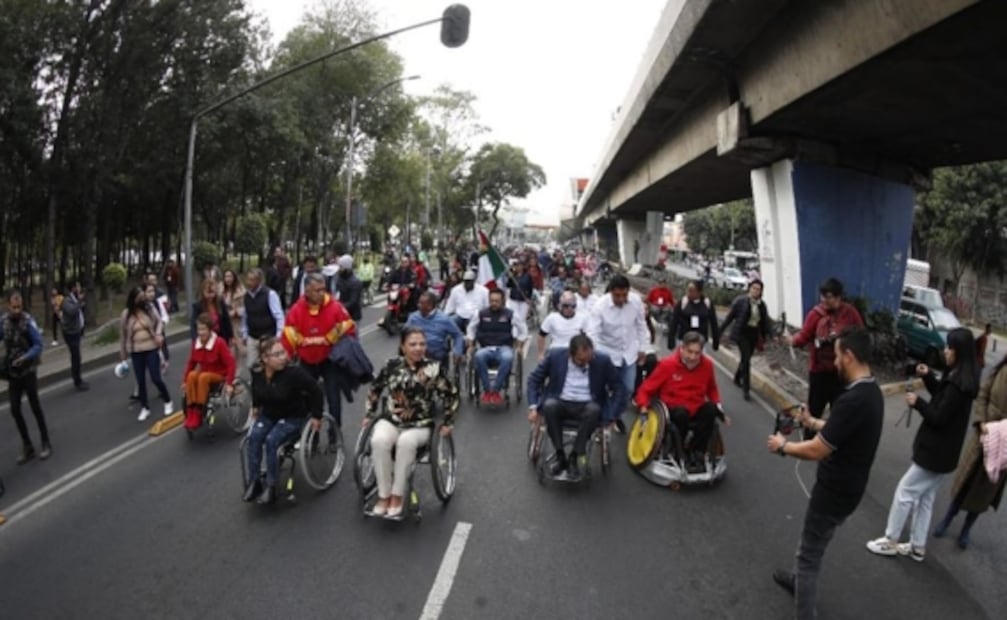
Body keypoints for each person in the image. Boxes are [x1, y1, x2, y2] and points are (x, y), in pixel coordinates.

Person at [767, 327, 883, 620]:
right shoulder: (871, 391)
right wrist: (813, 420)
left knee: (808, 556)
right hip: (850, 490)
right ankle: (797, 581)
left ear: (850, 355)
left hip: (834, 493)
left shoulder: (853, 400)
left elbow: (818, 450)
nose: (834, 363)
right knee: (813, 542)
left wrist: (784, 446)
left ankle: (804, 605)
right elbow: (840, 431)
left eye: (837, 356)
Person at [866, 327, 978, 562]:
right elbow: (941, 398)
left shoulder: (958, 382)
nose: (945, 351)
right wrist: (928, 376)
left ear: (959, 351)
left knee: (905, 491)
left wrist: (918, 403)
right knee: (925, 499)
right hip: (944, 454)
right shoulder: (961, 377)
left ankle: (891, 539)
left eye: (950, 348)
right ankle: (917, 546)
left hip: (935, 452)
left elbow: (938, 416)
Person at [364, 327, 458, 518]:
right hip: (392, 419)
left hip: (420, 423)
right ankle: (384, 495)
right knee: (378, 441)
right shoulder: (391, 365)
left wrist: (448, 421)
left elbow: (451, 394)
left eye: (422, 344)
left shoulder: (434, 368)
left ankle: (397, 495)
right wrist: (369, 413)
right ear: (403, 347)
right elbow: (375, 388)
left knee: (405, 443)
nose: (418, 348)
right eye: (413, 344)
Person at [934, 350, 1007, 549]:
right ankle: (947, 518)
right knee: (967, 479)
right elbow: (982, 395)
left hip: (1004, 444)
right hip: (983, 434)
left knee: (984, 490)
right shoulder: (1000, 369)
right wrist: (982, 421)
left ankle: (967, 529)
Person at [527, 334, 626, 480]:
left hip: (587, 404)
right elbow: (534, 380)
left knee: (594, 410)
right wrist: (533, 407)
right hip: (561, 401)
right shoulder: (555, 356)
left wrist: (611, 416)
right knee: (549, 406)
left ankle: (574, 456)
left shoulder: (603, 360)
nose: (586, 363)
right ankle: (560, 455)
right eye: (581, 360)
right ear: (570, 354)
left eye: (589, 359)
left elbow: (619, 389)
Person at [243, 337, 324, 505]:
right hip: (269, 414)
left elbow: (315, 390)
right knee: (254, 437)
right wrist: (256, 406)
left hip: (293, 416)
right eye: (277, 354)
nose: (283, 357)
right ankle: (255, 481)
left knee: (272, 440)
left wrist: (317, 415)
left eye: (283, 352)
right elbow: (256, 390)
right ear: (265, 359)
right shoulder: (257, 372)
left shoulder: (293, 373)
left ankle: (272, 486)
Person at [634, 331, 730, 463]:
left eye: (697, 353)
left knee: (711, 409)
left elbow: (712, 389)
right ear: (682, 348)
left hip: (696, 407)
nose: (692, 357)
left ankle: (696, 450)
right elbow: (645, 389)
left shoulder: (707, 365)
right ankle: (678, 449)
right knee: (681, 413)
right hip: (673, 409)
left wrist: (719, 408)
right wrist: (643, 407)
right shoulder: (667, 365)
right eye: (689, 352)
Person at [786, 277, 864, 434]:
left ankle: (831, 439)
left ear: (838, 297)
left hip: (841, 372)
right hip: (819, 371)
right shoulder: (816, 314)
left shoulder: (850, 313)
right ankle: (809, 441)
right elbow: (804, 336)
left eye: (828, 297)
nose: (824, 300)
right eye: (822, 296)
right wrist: (791, 341)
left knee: (838, 409)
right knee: (815, 408)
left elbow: (861, 335)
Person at [282, 272, 356, 427]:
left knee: (333, 398)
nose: (322, 293)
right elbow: (289, 333)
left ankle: (334, 436)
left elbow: (348, 325)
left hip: (329, 359)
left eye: (323, 289)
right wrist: (294, 349)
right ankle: (311, 436)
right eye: (317, 290)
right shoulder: (296, 310)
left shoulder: (335, 307)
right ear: (307, 291)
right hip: (307, 360)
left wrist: (329, 338)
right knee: (307, 397)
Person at [585, 274, 649, 430]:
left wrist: (643, 348)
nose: (621, 299)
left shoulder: (635, 302)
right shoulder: (600, 306)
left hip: (628, 353)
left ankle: (612, 417)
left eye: (624, 295)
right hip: (607, 352)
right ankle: (604, 419)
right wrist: (592, 355)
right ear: (611, 292)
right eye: (617, 296)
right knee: (603, 390)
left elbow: (641, 326)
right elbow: (593, 332)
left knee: (627, 389)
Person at [1, 291, 52, 462]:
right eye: (13, 307)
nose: (16, 310)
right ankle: (27, 445)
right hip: (13, 373)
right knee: (15, 409)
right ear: (8, 305)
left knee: (35, 406)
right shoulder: (3, 322)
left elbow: (38, 345)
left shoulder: (28, 321)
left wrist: (25, 357)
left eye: (19, 306)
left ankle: (45, 442)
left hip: (28, 370)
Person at [119, 286, 173, 421]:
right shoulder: (126, 314)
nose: (142, 300)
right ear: (133, 299)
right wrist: (123, 355)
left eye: (143, 297)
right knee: (140, 380)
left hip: (151, 348)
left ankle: (167, 401)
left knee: (156, 378)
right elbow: (123, 336)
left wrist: (159, 334)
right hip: (136, 351)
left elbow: (159, 321)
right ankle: (145, 407)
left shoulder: (149, 309)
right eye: (139, 298)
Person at [466, 288, 528, 405]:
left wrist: (520, 345)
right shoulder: (481, 314)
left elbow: (523, 329)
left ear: (502, 301)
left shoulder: (510, 314)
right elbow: (470, 328)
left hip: (504, 347)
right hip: (485, 347)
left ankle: (496, 390)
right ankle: (487, 389)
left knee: (508, 358)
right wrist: (470, 343)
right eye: (492, 301)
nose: (493, 303)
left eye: (496, 301)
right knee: (478, 356)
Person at [181, 313, 237, 431]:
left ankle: (200, 410)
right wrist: (184, 381)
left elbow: (231, 363)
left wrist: (230, 383)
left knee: (203, 377)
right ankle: (192, 410)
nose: (201, 332)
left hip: (219, 375)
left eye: (204, 329)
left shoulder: (219, 342)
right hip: (204, 374)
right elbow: (191, 363)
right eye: (199, 329)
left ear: (210, 330)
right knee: (192, 375)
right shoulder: (197, 343)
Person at [720, 279, 774, 401]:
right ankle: (746, 389)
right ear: (749, 288)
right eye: (753, 288)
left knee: (746, 358)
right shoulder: (740, 301)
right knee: (746, 360)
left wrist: (772, 334)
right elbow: (730, 317)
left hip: (753, 334)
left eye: (758, 289)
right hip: (741, 333)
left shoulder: (761, 305)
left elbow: (766, 321)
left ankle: (737, 377)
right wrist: (720, 331)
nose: (755, 291)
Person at [405, 291, 465, 368]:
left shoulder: (444, 319)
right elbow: (405, 333)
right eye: (419, 303)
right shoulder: (413, 317)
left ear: (429, 306)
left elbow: (458, 335)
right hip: (416, 352)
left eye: (421, 303)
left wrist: (458, 351)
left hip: (436, 354)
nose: (418, 305)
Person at [241, 268, 285, 372]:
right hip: (252, 336)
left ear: (259, 281)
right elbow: (245, 316)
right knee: (251, 365)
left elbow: (279, 316)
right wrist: (244, 333)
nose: (249, 283)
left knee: (270, 365)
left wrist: (279, 335)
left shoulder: (270, 294)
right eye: (248, 280)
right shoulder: (246, 296)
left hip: (268, 336)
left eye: (252, 280)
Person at [669, 279, 719, 351]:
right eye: (688, 290)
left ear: (699, 292)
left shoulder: (707, 303)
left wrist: (716, 342)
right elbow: (674, 321)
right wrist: (671, 339)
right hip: (684, 340)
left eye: (692, 291)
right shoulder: (683, 302)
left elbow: (714, 323)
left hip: (701, 341)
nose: (689, 293)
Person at [536, 291, 587, 361]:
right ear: (560, 306)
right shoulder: (552, 318)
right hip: (556, 351)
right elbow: (541, 335)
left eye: (573, 306)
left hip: (574, 352)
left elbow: (587, 337)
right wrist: (541, 354)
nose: (569, 308)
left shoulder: (582, 318)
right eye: (566, 306)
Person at [60, 281, 89, 391]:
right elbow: (71, 311)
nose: (79, 288)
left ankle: (79, 379)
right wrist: (80, 302)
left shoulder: (74, 299)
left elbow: (78, 310)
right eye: (78, 286)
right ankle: (77, 381)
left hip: (76, 331)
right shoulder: (67, 300)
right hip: (70, 333)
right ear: (73, 288)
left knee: (77, 357)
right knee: (76, 357)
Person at [189, 278, 233, 344]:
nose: (210, 296)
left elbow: (227, 320)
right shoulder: (198, 306)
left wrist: (231, 336)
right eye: (208, 293)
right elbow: (193, 324)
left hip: (220, 337)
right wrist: (195, 340)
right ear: (203, 292)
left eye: (212, 292)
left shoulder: (220, 303)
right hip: (206, 339)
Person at [221, 269, 247, 365]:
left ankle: (237, 375)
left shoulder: (241, 291)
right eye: (226, 277)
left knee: (240, 350)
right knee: (229, 350)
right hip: (226, 324)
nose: (228, 279)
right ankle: (231, 373)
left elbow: (246, 307)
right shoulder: (221, 291)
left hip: (238, 323)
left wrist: (237, 312)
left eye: (230, 276)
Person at [334, 255, 363, 321]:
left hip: (352, 317)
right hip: (340, 316)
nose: (339, 269)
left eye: (341, 267)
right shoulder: (338, 278)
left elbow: (353, 301)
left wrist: (338, 308)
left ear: (347, 268)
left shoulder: (355, 282)